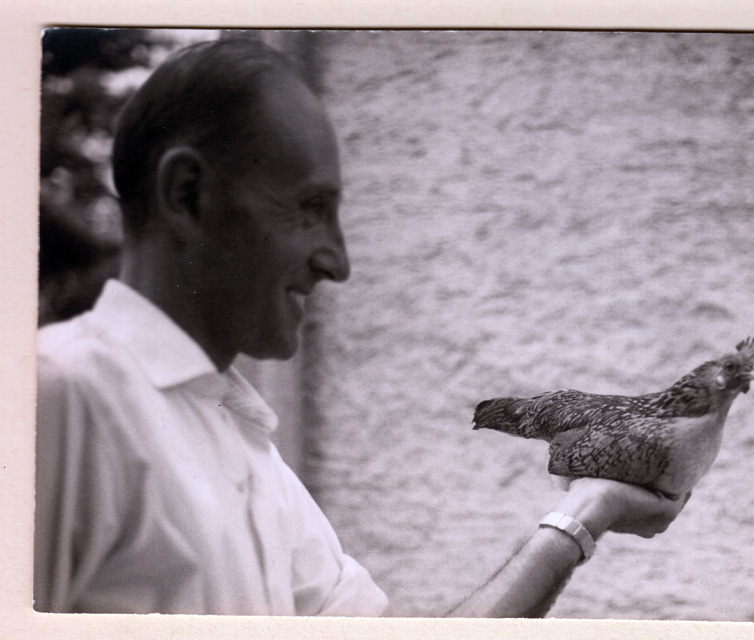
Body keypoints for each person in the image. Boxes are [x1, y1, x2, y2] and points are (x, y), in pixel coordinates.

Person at [34, 38, 689, 617]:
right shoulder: (60, 396)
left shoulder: (245, 449)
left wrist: (583, 513)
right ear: (187, 194)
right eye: (310, 208)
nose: (338, 262)